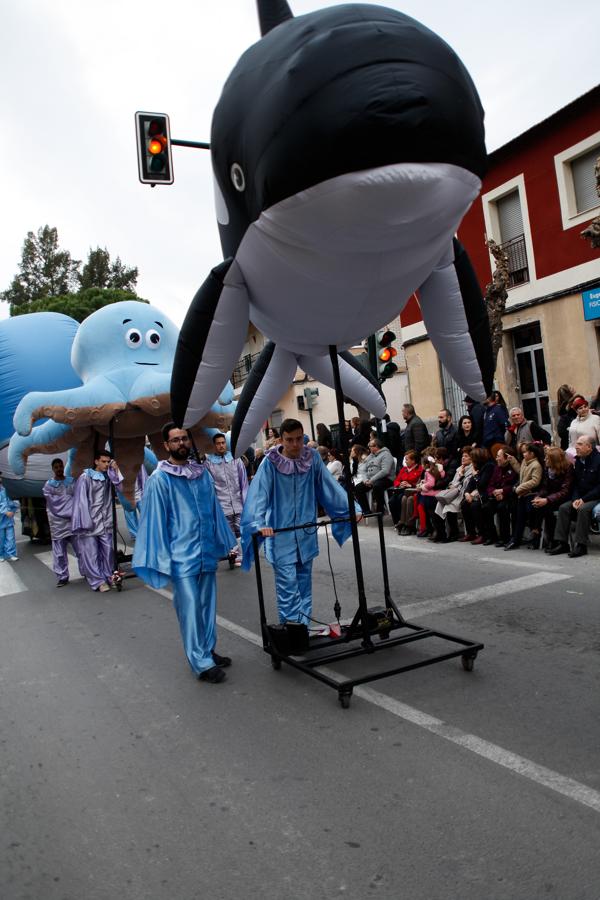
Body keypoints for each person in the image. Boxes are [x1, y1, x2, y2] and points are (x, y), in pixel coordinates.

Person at [133, 423, 237, 683]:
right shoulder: (160, 479)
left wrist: (225, 541)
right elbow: (154, 520)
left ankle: (208, 650)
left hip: (206, 553)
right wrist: (161, 558)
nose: (181, 443)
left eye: (184, 439)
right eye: (175, 440)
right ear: (166, 445)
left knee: (207, 605)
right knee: (189, 608)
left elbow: (213, 509)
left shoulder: (201, 473)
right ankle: (200, 663)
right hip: (181, 557)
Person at [240, 418, 357, 628]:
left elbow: (328, 486)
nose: (295, 445)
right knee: (287, 589)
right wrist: (258, 523)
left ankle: (304, 629)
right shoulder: (270, 463)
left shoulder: (311, 458)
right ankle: (292, 632)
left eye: (298, 439)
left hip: (306, 535)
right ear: (281, 440)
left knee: (304, 587)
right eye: (289, 440)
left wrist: (350, 510)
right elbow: (258, 496)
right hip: (280, 536)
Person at [71, 451, 124, 592]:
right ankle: (97, 581)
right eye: (104, 461)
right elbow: (80, 501)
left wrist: (116, 470)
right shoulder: (85, 478)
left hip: (106, 522)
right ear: (96, 461)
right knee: (91, 553)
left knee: (108, 551)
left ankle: (109, 576)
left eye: (108, 461)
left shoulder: (109, 477)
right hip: (90, 523)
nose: (106, 464)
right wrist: (84, 522)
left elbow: (121, 488)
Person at [548, 436, 600, 558]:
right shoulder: (579, 461)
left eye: (580, 444)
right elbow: (575, 484)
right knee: (564, 508)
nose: (576, 446)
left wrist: (583, 500)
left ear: (589, 447)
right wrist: (576, 498)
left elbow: (599, 487)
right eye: (576, 444)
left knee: (583, 509)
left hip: (595, 497)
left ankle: (581, 545)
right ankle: (562, 543)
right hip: (581, 497)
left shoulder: (598, 460)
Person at [205, 432, 249, 567]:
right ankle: (232, 554)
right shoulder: (209, 464)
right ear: (214, 446)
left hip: (238, 503)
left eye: (223, 443)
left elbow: (243, 482)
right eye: (218, 443)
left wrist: (246, 502)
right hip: (222, 506)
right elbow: (209, 487)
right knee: (228, 533)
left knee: (241, 530)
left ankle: (239, 556)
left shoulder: (236, 460)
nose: (221, 446)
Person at [42, 458, 81, 586]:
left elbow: (78, 498)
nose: (59, 469)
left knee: (81, 548)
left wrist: (71, 508)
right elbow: (53, 504)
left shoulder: (71, 481)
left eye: (60, 466)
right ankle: (63, 576)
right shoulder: (49, 485)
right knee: (59, 552)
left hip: (72, 521)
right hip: (57, 523)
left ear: (63, 467)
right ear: (53, 469)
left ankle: (87, 571)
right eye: (56, 467)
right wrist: (68, 505)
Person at [528, 446, 574, 550]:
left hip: (563, 498)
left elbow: (565, 491)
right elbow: (545, 487)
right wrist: (539, 496)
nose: (544, 460)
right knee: (534, 503)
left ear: (554, 460)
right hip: (551, 496)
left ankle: (549, 539)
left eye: (547, 458)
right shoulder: (547, 468)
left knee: (546, 508)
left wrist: (547, 499)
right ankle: (537, 532)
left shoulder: (568, 468)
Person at [503, 442, 544, 550]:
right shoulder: (525, 462)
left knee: (529, 515)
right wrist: (513, 461)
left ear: (532, 454)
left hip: (530, 494)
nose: (523, 454)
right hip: (522, 495)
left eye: (526, 452)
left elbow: (535, 481)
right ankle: (515, 540)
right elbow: (521, 472)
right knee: (519, 518)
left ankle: (535, 538)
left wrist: (519, 488)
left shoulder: (536, 465)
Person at [432, 447, 474, 542]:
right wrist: (452, 484)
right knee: (439, 504)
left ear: (472, 458)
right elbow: (452, 482)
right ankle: (440, 533)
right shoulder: (459, 469)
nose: (463, 458)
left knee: (450, 507)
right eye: (462, 456)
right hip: (453, 494)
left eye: (466, 456)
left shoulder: (472, 470)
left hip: (461, 495)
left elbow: (466, 485)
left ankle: (453, 533)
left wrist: (460, 477)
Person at [480, 446, 519, 546]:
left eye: (499, 456)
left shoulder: (514, 469)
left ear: (506, 458)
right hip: (496, 496)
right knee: (486, 507)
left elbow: (515, 485)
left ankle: (504, 538)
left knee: (502, 507)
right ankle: (492, 536)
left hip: (510, 497)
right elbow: (490, 485)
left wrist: (503, 492)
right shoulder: (497, 468)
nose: (496, 459)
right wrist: (494, 492)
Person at [459, 448, 494, 544]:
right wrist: (467, 493)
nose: (472, 460)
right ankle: (471, 533)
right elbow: (470, 483)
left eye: (473, 458)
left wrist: (475, 476)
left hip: (486, 495)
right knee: (464, 504)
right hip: (477, 494)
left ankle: (483, 534)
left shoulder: (489, 466)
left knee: (475, 506)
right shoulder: (477, 466)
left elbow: (482, 484)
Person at [352, 437, 395, 514]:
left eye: (370, 446)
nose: (369, 448)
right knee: (358, 488)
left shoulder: (386, 454)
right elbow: (363, 470)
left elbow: (385, 471)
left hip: (386, 479)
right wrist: (365, 480)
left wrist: (372, 480)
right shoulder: (371, 456)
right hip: (371, 480)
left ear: (376, 446)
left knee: (377, 486)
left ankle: (380, 510)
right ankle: (366, 511)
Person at [388, 450, 423, 529]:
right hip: (401, 489)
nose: (405, 461)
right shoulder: (404, 469)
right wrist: (399, 484)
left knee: (400, 499)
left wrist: (410, 484)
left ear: (413, 461)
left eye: (407, 459)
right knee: (391, 501)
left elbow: (419, 483)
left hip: (411, 490)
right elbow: (396, 480)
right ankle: (397, 522)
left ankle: (403, 521)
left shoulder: (420, 469)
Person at [0, 472, 19, 563]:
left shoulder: (4, 489)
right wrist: (4, 512)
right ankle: (0, 555)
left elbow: (10, 501)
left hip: (8, 519)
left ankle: (11, 554)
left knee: (11, 538)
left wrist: (14, 507)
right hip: (0, 520)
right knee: (1, 538)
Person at [556, 384, 576, 450]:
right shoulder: (570, 407)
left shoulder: (562, 406)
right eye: (570, 388)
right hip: (571, 442)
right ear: (568, 393)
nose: (573, 387)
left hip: (566, 443)